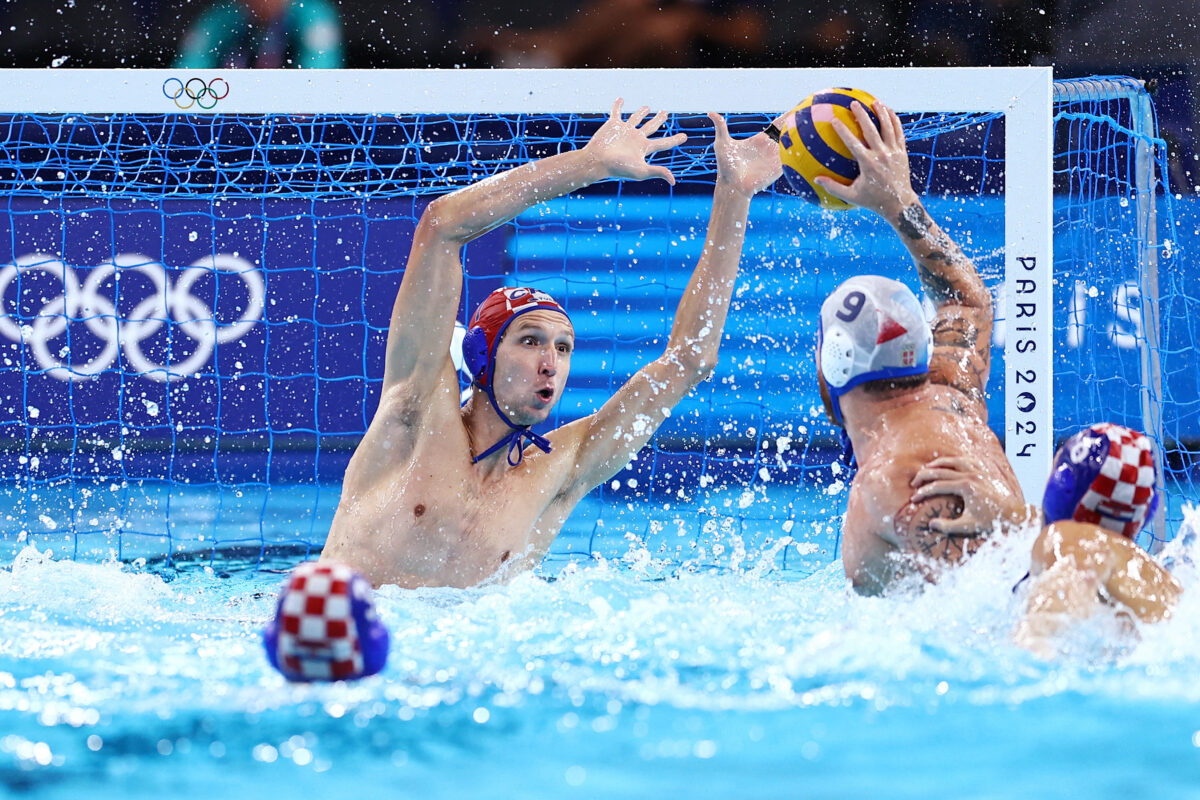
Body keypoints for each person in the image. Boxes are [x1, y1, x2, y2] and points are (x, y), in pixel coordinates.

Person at [319, 100, 782, 589]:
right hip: (327, 629)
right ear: (480, 354)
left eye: (563, 348)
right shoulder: (415, 414)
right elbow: (441, 226)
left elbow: (689, 360)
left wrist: (735, 195)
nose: (550, 364)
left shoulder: (559, 470)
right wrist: (591, 164)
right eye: (530, 340)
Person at [806, 98, 1024, 594]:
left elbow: (1011, 606)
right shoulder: (953, 394)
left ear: (832, 364)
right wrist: (898, 202)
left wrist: (1020, 519)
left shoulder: (904, 481)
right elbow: (966, 300)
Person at [910, 423, 1182, 658]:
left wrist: (1032, 638)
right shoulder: (1155, 579)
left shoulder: (1069, 540)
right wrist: (1009, 513)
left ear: (1061, 488)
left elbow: (1055, 608)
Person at [174, 0, 343, 69]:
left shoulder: (313, 15)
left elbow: (322, 69)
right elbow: (189, 66)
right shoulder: (223, 16)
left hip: (293, 116)